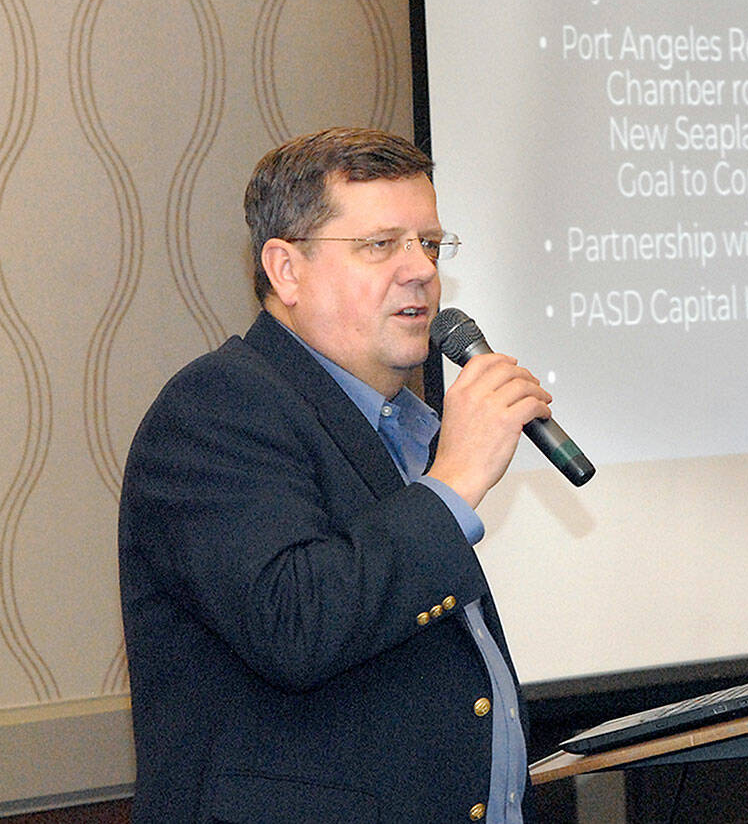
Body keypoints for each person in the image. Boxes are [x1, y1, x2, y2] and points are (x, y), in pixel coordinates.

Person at [118, 127, 550, 822]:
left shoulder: (409, 430)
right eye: (380, 245)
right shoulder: (217, 408)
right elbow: (293, 623)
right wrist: (455, 484)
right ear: (285, 270)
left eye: (429, 244)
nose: (420, 271)